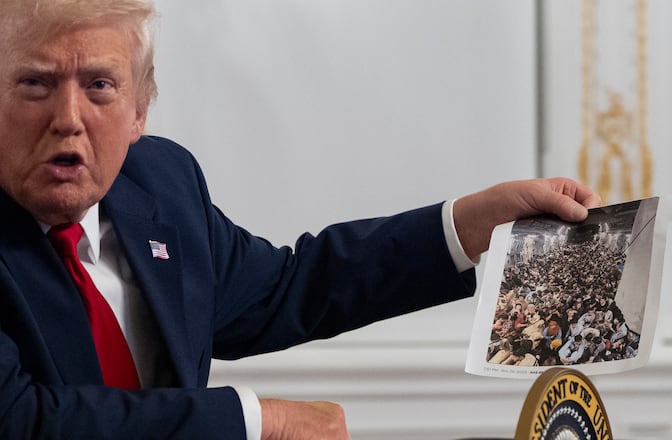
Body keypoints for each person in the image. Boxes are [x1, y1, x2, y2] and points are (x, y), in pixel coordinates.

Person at [0, 0, 602, 439]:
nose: (69, 118)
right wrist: (259, 421)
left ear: (139, 111)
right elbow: (21, 419)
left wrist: (472, 226)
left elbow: (285, 289)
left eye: (100, 85)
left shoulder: (161, 184)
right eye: (35, 84)